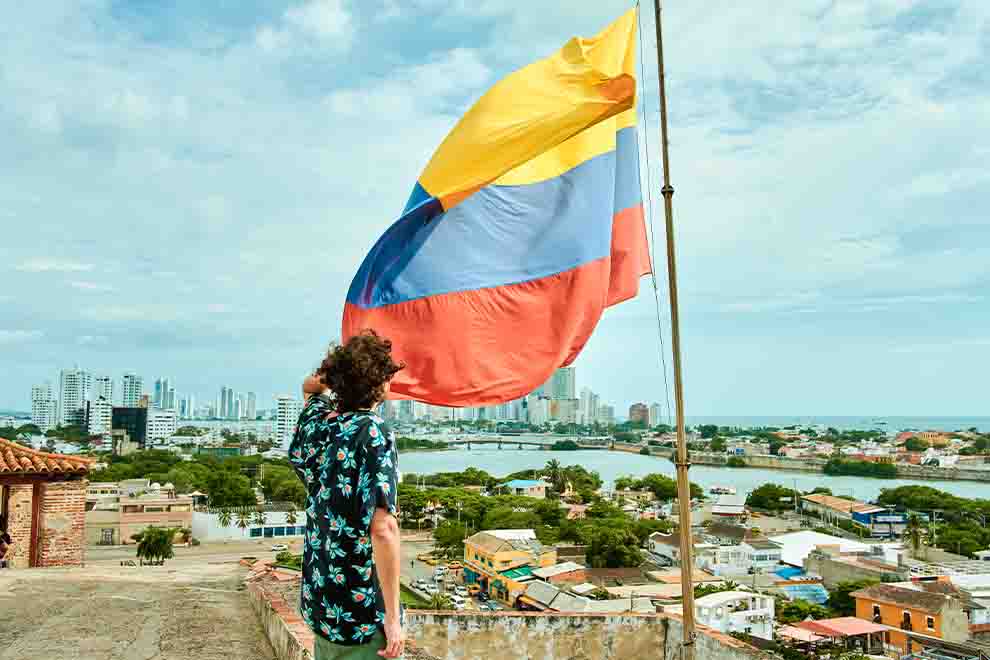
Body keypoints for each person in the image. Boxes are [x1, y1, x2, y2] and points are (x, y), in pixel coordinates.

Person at [290, 330, 405, 659]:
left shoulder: (317, 423)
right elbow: (383, 528)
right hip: (361, 614)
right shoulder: (373, 431)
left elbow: (309, 387)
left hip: (321, 601)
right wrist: (392, 618)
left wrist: (333, 376)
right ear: (379, 382)